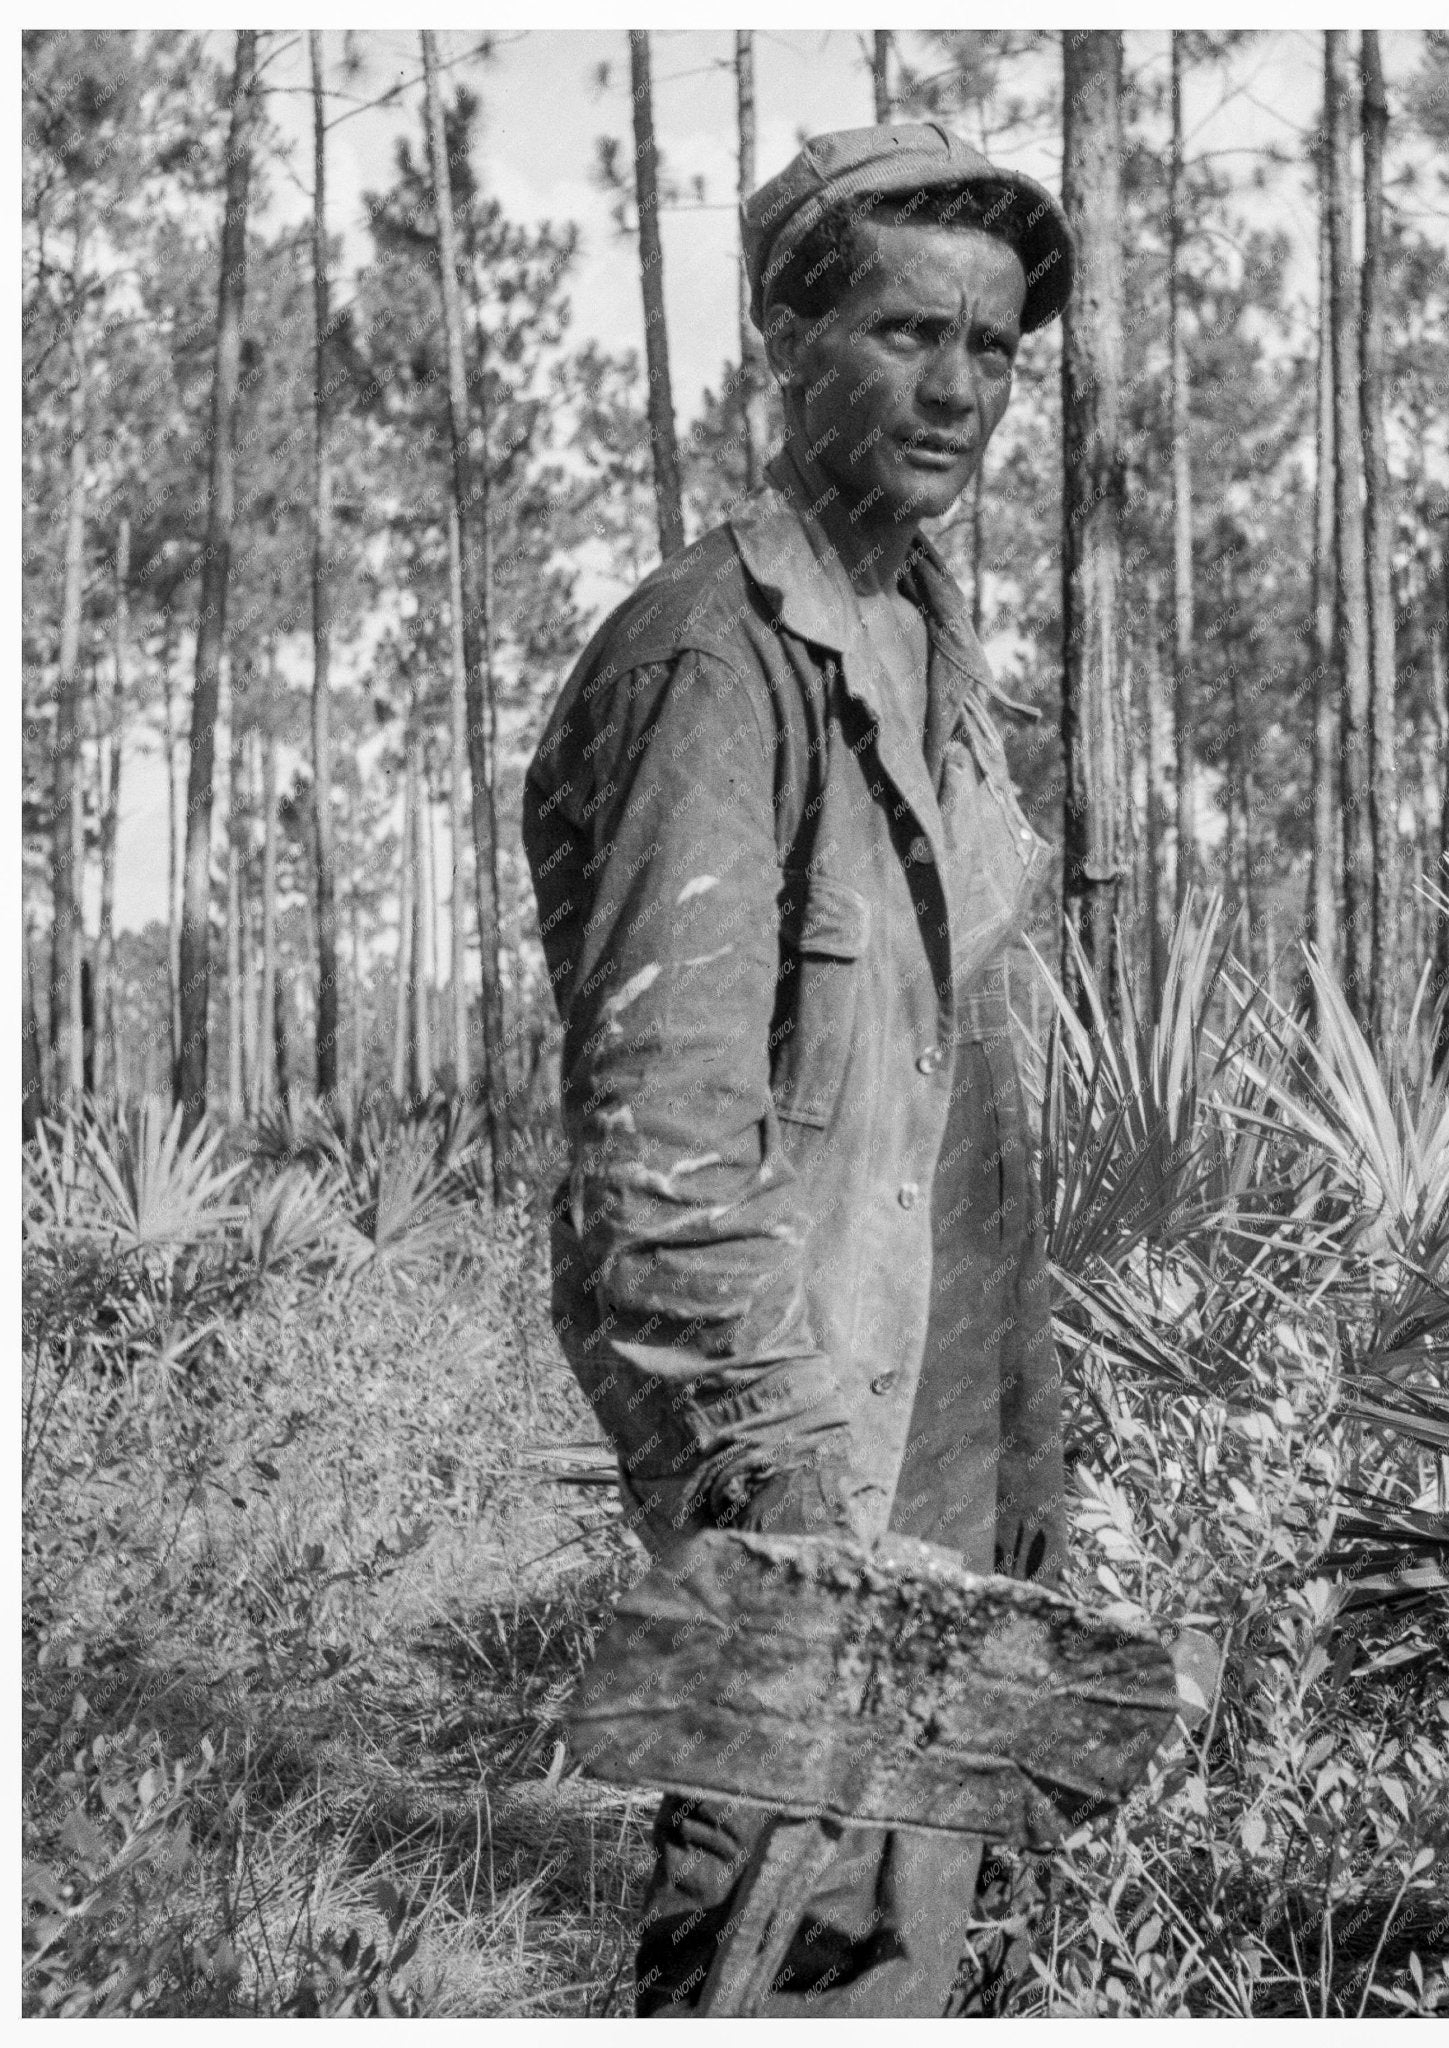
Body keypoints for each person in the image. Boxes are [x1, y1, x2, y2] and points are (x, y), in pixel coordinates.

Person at [523, 121, 1076, 2018]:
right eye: (907, 331)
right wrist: (793, 1535)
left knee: (905, 1985)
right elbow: (659, 1160)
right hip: (810, 1511)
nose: (956, 390)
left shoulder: (930, 652)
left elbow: (963, 1119)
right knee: (778, 1979)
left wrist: (1026, 1476)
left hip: (945, 1480)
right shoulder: (713, 666)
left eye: (995, 351)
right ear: (783, 336)